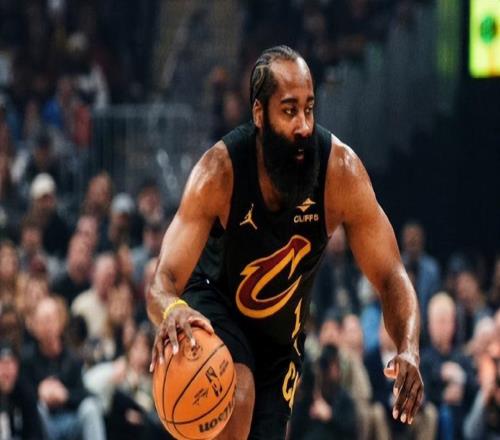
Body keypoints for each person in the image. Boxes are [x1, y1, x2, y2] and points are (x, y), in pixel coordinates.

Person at [147, 45, 423, 439]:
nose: (304, 126)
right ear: (259, 113)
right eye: (289, 111)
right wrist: (172, 309)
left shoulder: (340, 172)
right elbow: (163, 281)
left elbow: (392, 275)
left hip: (279, 338)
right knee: (239, 391)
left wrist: (408, 347)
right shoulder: (219, 172)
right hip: (213, 307)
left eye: (309, 109)